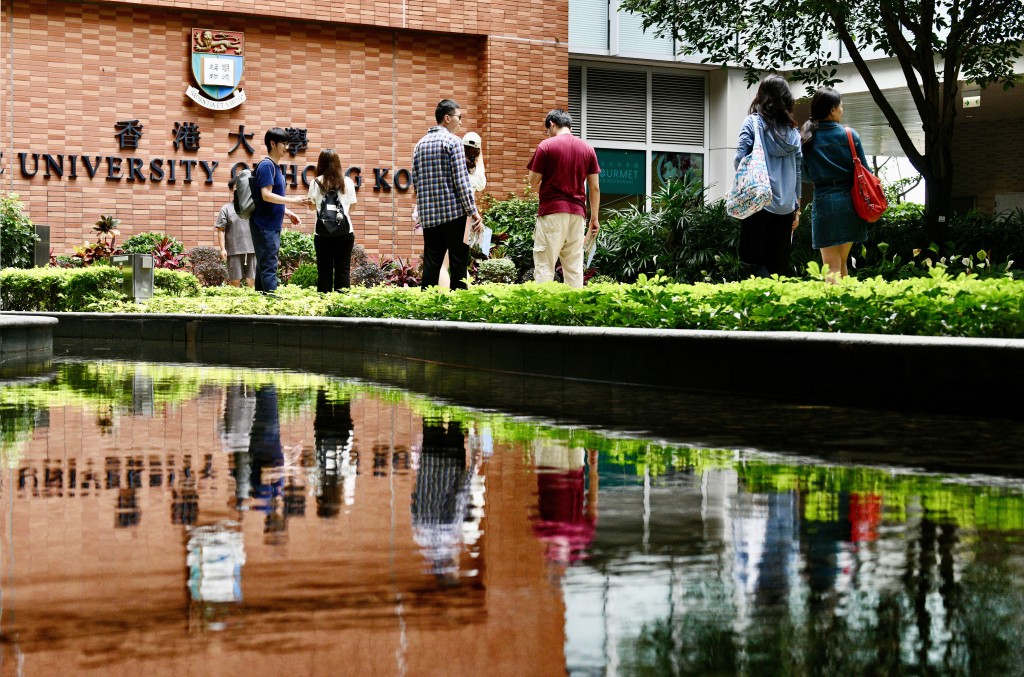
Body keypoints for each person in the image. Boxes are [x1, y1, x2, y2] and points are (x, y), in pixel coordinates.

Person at [734, 74, 802, 278]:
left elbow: (740, 158)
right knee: (777, 267)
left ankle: (758, 304)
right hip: (786, 207)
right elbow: (798, 170)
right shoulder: (794, 133)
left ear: (761, 96)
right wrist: (796, 208)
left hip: (757, 202)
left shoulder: (752, 123)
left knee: (752, 261)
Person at [801, 87, 872, 281]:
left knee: (830, 265)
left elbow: (805, 176)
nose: (843, 108)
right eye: (840, 105)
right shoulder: (850, 135)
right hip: (851, 204)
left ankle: (833, 309)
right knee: (842, 262)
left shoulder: (808, 138)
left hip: (824, 203)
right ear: (832, 110)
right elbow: (866, 172)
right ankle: (846, 307)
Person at [411, 99, 481, 290]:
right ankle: (458, 311)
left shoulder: (419, 145)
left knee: (431, 265)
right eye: (459, 117)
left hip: (430, 218)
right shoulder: (454, 142)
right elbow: (461, 182)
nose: (461, 121)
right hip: (454, 216)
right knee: (458, 264)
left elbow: (415, 182)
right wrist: (473, 212)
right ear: (447, 118)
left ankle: (427, 309)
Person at [527, 109, 600, 288]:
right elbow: (595, 188)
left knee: (545, 265)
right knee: (574, 268)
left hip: (552, 212)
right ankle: (573, 314)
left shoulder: (546, 146)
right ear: (570, 125)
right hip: (577, 215)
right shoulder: (587, 149)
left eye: (547, 129)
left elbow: (533, 181)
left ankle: (544, 313)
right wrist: (594, 219)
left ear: (552, 124)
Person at [249, 127, 308, 294]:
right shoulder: (267, 166)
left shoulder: (275, 167)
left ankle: (261, 306)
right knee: (269, 267)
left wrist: (287, 211)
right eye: (283, 143)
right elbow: (266, 195)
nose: (286, 147)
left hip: (269, 225)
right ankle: (274, 310)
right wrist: (293, 201)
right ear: (272, 143)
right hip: (264, 225)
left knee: (263, 267)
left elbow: (270, 198)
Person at [305, 149, 357, 292]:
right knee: (343, 270)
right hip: (345, 232)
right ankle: (340, 309)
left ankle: (323, 308)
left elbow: (311, 207)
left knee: (324, 272)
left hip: (322, 233)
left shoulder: (316, 183)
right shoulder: (347, 182)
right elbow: (352, 208)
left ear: (320, 164)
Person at [215, 178, 256, 287]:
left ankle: (253, 302)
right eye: (235, 188)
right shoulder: (226, 208)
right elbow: (220, 230)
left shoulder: (253, 207)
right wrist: (222, 249)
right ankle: (236, 302)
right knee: (234, 281)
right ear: (231, 190)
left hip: (252, 249)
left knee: (252, 280)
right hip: (233, 250)